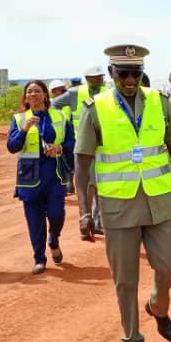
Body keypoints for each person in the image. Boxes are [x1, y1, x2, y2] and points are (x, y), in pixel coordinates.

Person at [75, 44, 171, 342]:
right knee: (125, 280)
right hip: (118, 205)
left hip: (160, 199)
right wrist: (84, 211)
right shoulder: (95, 108)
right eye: (123, 73)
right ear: (110, 73)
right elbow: (82, 163)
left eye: (136, 73)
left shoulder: (160, 101)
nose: (130, 80)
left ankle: (158, 305)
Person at [7, 80, 74, 274]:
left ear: (45, 95)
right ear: (25, 97)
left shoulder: (59, 116)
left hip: (54, 174)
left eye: (37, 91)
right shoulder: (19, 119)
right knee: (34, 220)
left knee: (56, 214)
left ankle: (54, 238)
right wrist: (24, 130)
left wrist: (59, 148)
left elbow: (72, 142)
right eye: (29, 92)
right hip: (29, 177)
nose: (33, 94)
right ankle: (39, 258)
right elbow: (12, 147)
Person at [51, 67, 106, 231]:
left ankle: (98, 221)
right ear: (88, 78)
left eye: (101, 76)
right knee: (86, 184)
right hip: (82, 144)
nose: (100, 79)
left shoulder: (108, 93)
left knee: (101, 184)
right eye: (96, 77)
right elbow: (54, 104)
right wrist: (63, 123)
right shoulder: (75, 93)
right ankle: (86, 219)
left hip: (104, 145)